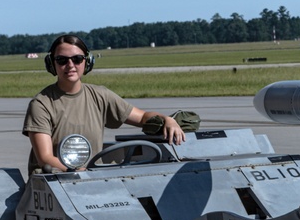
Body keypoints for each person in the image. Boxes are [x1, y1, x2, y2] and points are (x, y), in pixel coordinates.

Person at [22, 34, 185, 174]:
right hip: (52, 183)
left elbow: (142, 117)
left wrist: (167, 120)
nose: (70, 65)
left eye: (77, 59)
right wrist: (79, 172)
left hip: (90, 178)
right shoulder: (41, 104)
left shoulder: (99, 95)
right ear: (52, 64)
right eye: (62, 60)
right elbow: (46, 159)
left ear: (87, 62)